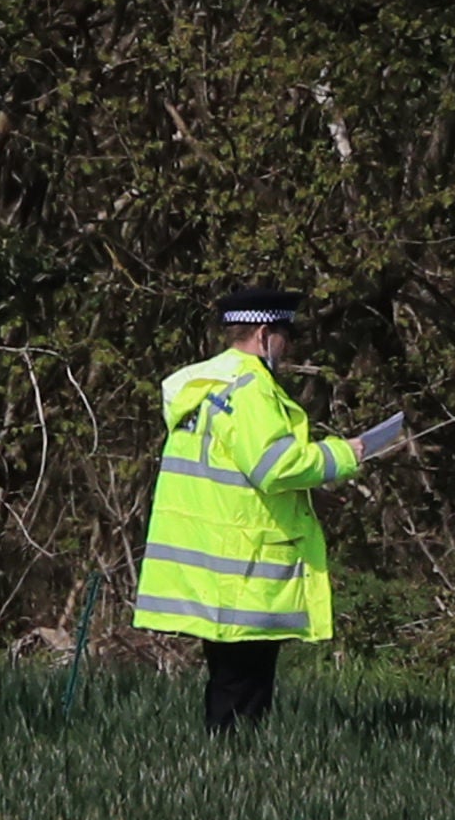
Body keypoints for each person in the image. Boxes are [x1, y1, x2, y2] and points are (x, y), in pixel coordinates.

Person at [131, 284, 411, 731]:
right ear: (264, 334)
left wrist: (308, 490)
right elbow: (275, 466)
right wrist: (346, 453)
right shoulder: (251, 389)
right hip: (245, 563)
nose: (291, 344)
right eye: (287, 332)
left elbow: (236, 467)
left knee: (229, 678)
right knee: (245, 687)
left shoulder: (207, 385)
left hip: (213, 559)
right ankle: (232, 774)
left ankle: (223, 768)